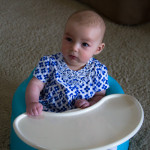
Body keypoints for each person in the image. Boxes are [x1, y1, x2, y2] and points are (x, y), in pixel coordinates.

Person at [26, 10, 109, 116]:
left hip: (79, 116)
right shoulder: (49, 63)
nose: (74, 48)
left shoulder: (98, 71)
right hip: (49, 113)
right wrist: (32, 102)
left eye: (85, 44)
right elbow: (35, 84)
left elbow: (100, 96)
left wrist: (89, 104)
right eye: (69, 39)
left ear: (98, 49)